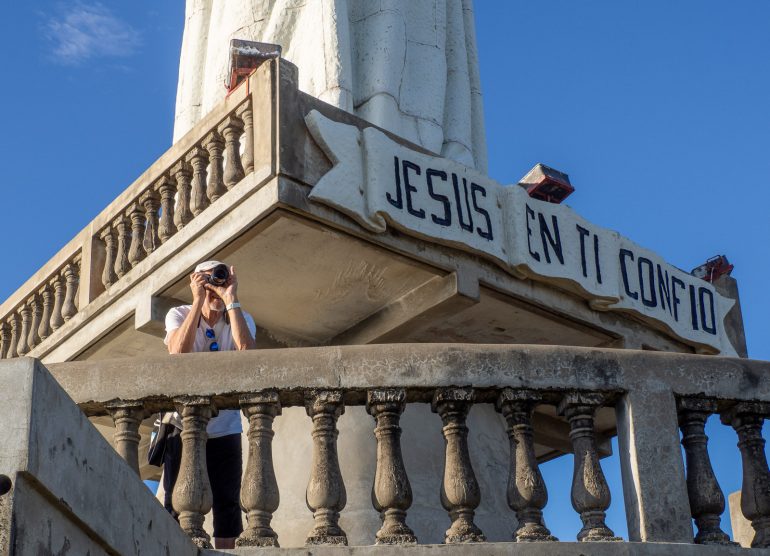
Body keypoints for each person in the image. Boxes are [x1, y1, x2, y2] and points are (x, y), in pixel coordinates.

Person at [163, 260, 257, 549]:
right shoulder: (178, 314)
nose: (215, 287)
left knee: (227, 505)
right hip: (182, 426)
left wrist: (230, 298)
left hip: (225, 428)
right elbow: (178, 352)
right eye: (210, 281)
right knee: (175, 502)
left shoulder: (239, 317)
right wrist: (197, 301)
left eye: (221, 278)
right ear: (197, 281)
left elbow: (248, 356)